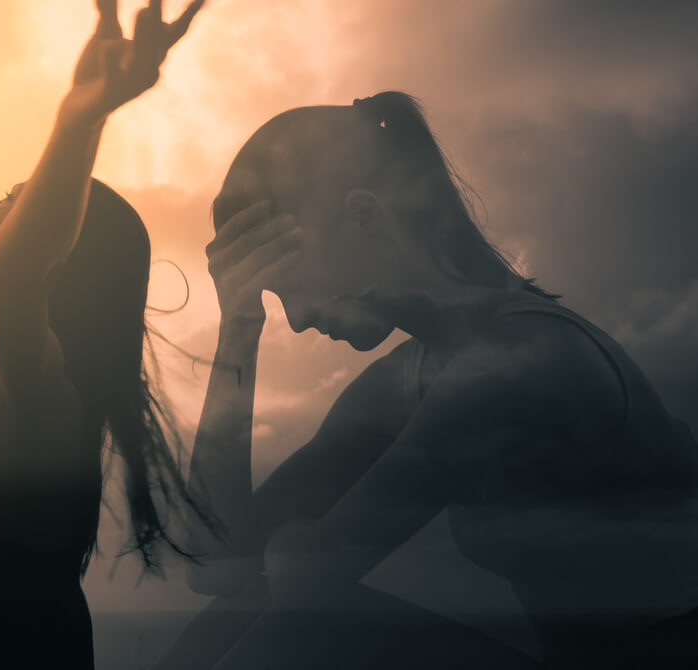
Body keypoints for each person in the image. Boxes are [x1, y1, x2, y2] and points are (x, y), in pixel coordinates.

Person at [166, 92, 698, 669]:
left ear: (365, 217)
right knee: (247, 608)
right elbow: (215, 566)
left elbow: (309, 583)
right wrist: (238, 328)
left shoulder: (522, 360)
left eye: (289, 284)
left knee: (298, 624)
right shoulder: (408, 378)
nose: (294, 319)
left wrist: (286, 552)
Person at [0, 2, 206, 668]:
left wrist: (81, 116)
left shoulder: (37, 405)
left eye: (15, 197)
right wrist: (79, 111)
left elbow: (15, 273)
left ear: (61, 259)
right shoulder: (19, 399)